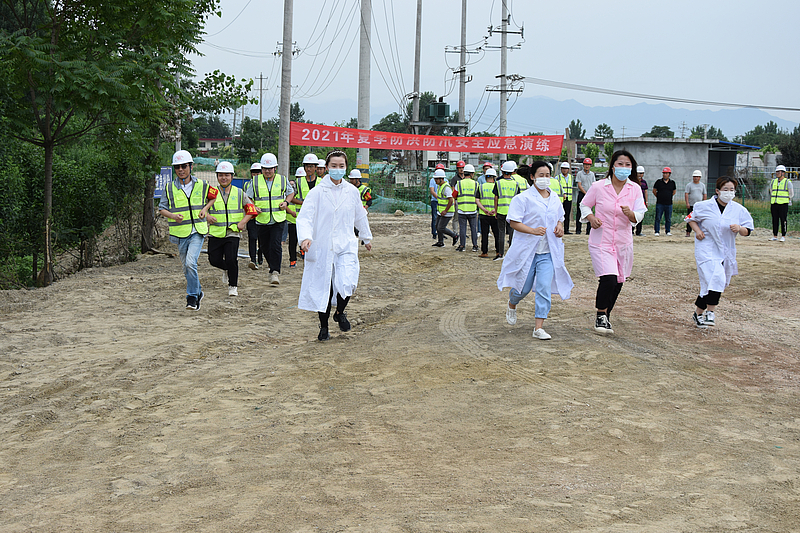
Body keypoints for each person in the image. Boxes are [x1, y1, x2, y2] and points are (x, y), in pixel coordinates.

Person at [297, 150, 373, 341]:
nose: (337, 169)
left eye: (341, 166)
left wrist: (366, 237)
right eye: (333, 166)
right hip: (322, 245)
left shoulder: (352, 192)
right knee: (324, 287)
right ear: (327, 168)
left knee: (347, 283)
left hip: (345, 244)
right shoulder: (317, 193)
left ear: (345, 168)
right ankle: (323, 327)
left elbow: (359, 215)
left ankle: (339, 312)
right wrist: (305, 237)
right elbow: (305, 217)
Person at [497, 161, 573, 340]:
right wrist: (532, 231)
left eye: (548, 175)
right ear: (532, 177)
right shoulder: (522, 198)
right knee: (522, 288)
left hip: (547, 252)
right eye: (541, 175)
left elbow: (560, 217)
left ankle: (538, 327)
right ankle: (512, 302)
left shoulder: (554, 198)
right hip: (528, 252)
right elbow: (514, 222)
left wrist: (559, 226)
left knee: (544, 287)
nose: (545, 179)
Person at [580, 150, 647, 334]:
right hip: (601, 240)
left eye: (627, 165)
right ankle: (601, 314)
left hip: (623, 242)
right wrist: (591, 218)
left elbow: (640, 212)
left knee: (618, 280)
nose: (624, 168)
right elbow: (584, 205)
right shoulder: (599, 186)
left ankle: (606, 315)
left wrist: (631, 214)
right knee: (608, 278)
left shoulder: (634, 188)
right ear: (612, 166)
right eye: (620, 164)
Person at [685, 176, 754, 328]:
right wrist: (697, 230)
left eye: (732, 190)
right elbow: (690, 218)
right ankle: (711, 312)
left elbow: (748, 230)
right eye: (725, 189)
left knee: (713, 282)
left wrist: (740, 228)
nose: (729, 192)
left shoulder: (738, 210)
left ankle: (698, 313)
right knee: (716, 277)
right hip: (706, 248)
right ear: (717, 191)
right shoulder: (704, 206)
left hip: (725, 250)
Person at [158, 150, 219, 310]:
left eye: (184, 166)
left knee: (191, 263)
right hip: (180, 233)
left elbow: (214, 196)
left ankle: (191, 297)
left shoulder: (202, 184)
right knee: (186, 267)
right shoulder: (169, 188)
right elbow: (161, 208)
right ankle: (198, 291)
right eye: (177, 167)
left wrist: (205, 209)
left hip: (197, 231)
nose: (181, 170)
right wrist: (173, 216)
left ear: (191, 166)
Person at [207, 161, 258, 296]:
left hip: (233, 232)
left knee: (231, 259)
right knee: (213, 260)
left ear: (232, 176)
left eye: (227, 175)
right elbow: (201, 209)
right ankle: (226, 269)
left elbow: (251, 210)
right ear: (217, 176)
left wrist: (242, 222)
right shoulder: (211, 192)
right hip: (215, 233)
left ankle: (233, 286)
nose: (224, 178)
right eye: (221, 175)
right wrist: (207, 216)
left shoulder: (239, 193)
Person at [248, 152, 295, 286]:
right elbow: (248, 197)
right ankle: (272, 266)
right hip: (261, 219)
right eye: (265, 168)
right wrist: (254, 206)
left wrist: (286, 202)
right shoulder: (255, 181)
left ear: (275, 168)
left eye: (270, 168)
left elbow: (290, 193)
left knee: (275, 245)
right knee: (264, 246)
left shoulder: (282, 179)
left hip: (278, 219)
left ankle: (275, 272)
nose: (267, 171)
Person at [288, 154, 322, 266]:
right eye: (307, 166)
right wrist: (303, 203)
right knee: (294, 239)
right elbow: (291, 197)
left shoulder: (321, 182)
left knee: (316, 239)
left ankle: (312, 258)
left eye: (311, 166)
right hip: (301, 217)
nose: (309, 169)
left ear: (316, 167)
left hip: (317, 217)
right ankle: (293, 260)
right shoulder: (298, 182)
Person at [496, 161, 522, 259]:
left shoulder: (498, 183)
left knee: (501, 232)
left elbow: (496, 198)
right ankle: (511, 253)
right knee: (512, 233)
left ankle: (500, 254)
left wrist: (496, 210)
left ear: (502, 172)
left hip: (501, 210)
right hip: (512, 212)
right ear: (512, 172)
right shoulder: (516, 184)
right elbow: (518, 199)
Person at [455, 164, 479, 252]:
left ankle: (462, 246)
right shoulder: (476, 184)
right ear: (472, 174)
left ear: (464, 173)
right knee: (473, 229)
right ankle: (475, 246)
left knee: (462, 228)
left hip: (462, 210)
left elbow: (454, 195)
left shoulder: (459, 183)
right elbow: (478, 196)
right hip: (472, 210)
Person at [476, 167, 500, 258]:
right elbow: (499, 199)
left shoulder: (481, 187)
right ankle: (498, 251)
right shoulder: (497, 187)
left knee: (484, 234)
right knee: (497, 234)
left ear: (485, 177)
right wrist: (494, 209)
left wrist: (484, 210)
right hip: (495, 214)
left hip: (484, 214)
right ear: (494, 177)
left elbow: (477, 200)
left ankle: (484, 252)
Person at [432, 169, 458, 247]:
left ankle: (454, 236)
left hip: (447, 212)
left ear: (441, 179)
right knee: (437, 226)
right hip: (441, 211)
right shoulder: (440, 186)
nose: (435, 180)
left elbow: (451, 200)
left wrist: (446, 210)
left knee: (441, 227)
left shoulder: (446, 188)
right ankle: (440, 242)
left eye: (436, 179)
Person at [770, 164, 793, 242]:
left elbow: (791, 193)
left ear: (783, 173)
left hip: (783, 204)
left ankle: (783, 236)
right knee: (775, 219)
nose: (777, 173)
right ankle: (775, 235)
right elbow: (771, 191)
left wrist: (788, 200)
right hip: (774, 203)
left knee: (783, 220)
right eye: (776, 172)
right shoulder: (773, 181)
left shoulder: (787, 182)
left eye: (778, 172)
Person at [246, 162, 263, 269]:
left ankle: (260, 256)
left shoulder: (265, 185)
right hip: (251, 216)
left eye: (258, 173)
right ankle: (253, 259)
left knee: (261, 239)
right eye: (253, 173)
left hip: (262, 216)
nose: (255, 175)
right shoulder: (247, 185)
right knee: (252, 238)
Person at [652, 166, 677, 235]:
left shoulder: (672, 182)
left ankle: (668, 231)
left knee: (668, 218)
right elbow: (654, 191)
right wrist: (659, 196)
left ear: (669, 174)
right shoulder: (658, 182)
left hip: (669, 203)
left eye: (666, 173)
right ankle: (657, 231)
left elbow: (674, 192)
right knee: (658, 218)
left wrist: (669, 196)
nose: (665, 175)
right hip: (660, 203)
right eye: (664, 173)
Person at [574, 158, 596, 235]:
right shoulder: (580, 174)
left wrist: (591, 193)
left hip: (590, 195)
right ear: (583, 165)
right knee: (579, 211)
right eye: (586, 164)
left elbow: (593, 184)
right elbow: (579, 185)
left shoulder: (592, 174)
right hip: (582, 194)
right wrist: (585, 193)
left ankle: (588, 230)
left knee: (590, 211)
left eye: (588, 165)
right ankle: (578, 230)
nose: (587, 166)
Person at [684, 170, 708, 237]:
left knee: (700, 219)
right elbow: (686, 194)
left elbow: (704, 194)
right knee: (690, 218)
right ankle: (688, 232)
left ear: (700, 177)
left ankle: (700, 231)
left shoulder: (702, 185)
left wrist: (704, 203)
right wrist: (687, 203)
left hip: (700, 206)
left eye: (697, 176)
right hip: (691, 205)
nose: (696, 178)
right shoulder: (689, 185)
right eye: (695, 176)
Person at [553, 162, 574, 234]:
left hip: (569, 198)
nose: (565, 170)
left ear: (568, 169)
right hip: (561, 199)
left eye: (566, 168)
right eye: (563, 168)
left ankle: (566, 229)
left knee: (567, 214)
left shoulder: (571, 177)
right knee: (559, 214)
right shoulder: (557, 177)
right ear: (561, 169)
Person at [634, 166, 648, 236]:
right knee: (633, 216)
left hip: (641, 201)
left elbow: (645, 192)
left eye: (641, 173)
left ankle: (638, 231)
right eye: (639, 173)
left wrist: (646, 201)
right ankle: (631, 231)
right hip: (634, 201)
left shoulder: (644, 182)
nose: (640, 175)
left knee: (640, 216)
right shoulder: (633, 182)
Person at [428, 172, 439, 239]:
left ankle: (441, 232)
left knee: (442, 218)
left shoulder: (446, 180)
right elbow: (432, 191)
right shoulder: (432, 180)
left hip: (442, 202)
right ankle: (434, 232)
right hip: (435, 201)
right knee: (435, 217)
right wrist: (439, 198)